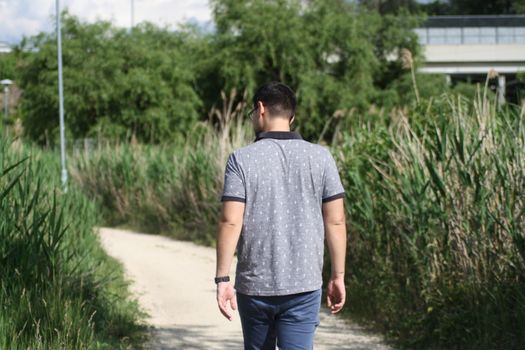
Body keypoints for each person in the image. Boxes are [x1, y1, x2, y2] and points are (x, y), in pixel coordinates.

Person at [215, 81, 347, 350]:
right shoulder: (321, 157)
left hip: (255, 287)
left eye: (253, 112)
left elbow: (231, 221)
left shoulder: (241, 159)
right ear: (291, 116)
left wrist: (222, 279)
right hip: (304, 285)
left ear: (261, 109)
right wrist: (338, 275)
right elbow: (335, 220)